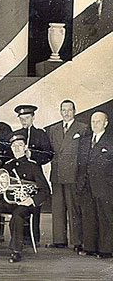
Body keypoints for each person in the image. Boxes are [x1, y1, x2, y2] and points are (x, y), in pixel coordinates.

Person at [0, 133, 50, 263]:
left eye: (20, 145)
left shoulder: (33, 166)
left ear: (25, 147)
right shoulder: (7, 166)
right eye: (14, 146)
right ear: (11, 148)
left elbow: (45, 190)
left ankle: (16, 251)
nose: (17, 148)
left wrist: (31, 200)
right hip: (7, 201)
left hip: (24, 204)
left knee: (17, 216)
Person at [46, 100, 88, 250]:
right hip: (57, 174)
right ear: (60, 111)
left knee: (74, 209)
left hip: (73, 175)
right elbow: (49, 151)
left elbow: (84, 154)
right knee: (57, 209)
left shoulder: (82, 128)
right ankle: (59, 240)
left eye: (69, 110)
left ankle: (77, 242)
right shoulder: (53, 129)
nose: (66, 113)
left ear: (74, 111)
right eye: (63, 110)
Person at [12, 104, 53, 244]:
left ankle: (33, 239)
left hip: (35, 175)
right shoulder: (16, 134)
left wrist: (33, 155)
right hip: (19, 177)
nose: (24, 121)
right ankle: (20, 238)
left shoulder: (40, 134)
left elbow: (48, 154)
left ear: (33, 117)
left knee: (34, 205)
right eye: (21, 119)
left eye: (27, 118)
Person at [77, 111, 112, 259]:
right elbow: (80, 165)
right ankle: (90, 247)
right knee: (88, 217)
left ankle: (106, 250)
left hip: (105, 186)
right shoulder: (84, 141)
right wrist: (80, 184)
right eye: (93, 121)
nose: (95, 124)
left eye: (98, 121)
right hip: (86, 186)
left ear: (105, 123)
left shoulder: (110, 141)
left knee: (105, 217)